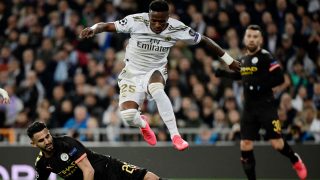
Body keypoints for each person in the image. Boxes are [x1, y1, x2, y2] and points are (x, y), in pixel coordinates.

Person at [79, 0, 240, 151]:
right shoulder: (135, 21)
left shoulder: (177, 28)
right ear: (148, 16)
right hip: (132, 72)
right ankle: (143, 124)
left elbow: (203, 40)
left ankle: (175, 135)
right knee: (128, 116)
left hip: (155, 69)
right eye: (153, 20)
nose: (157, 25)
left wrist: (229, 61)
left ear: (168, 18)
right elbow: (106, 26)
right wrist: (93, 29)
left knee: (157, 89)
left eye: (161, 21)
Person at [215, 25, 307, 180]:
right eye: (249, 36)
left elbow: (280, 78)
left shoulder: (266, 57)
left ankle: (295, 159)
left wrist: (261, 85)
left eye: (255, 36)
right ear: (244, 39)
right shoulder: (244, 58)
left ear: (261, 40)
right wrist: (224, 74)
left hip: (266, 106)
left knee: (277, 144)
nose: (251, 39)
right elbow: (243, 75)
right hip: (249, 109)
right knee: (245, 145)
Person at [27, 121, 163, 180]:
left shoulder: (66, 144)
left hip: (107, 168)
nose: (47, 141)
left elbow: (88, 170)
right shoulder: (42, 163)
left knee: (149, 178)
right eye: (41, 140)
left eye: (47, 136)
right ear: (33, 144)